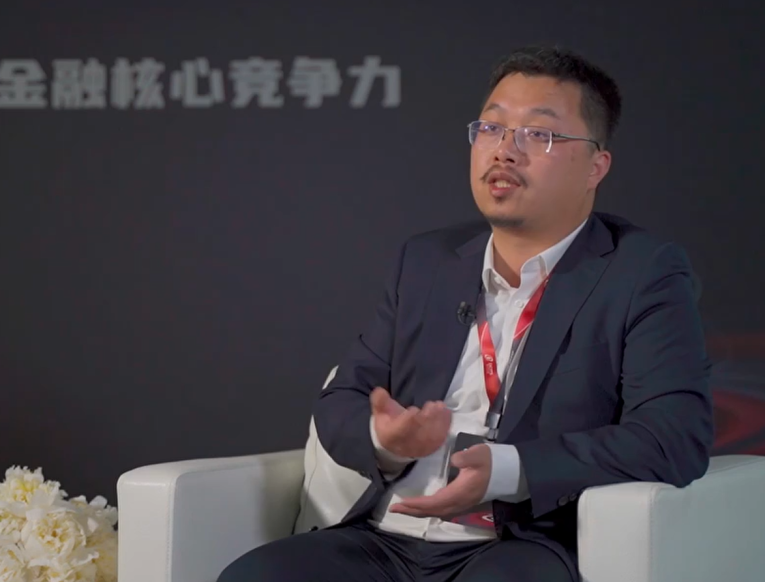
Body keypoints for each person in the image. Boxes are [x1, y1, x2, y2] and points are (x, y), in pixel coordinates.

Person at [217, 45, 714, 582]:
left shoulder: (641, 272)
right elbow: (342, 399)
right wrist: (386, 441)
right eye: (492, 128)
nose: (505, 151)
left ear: (596, 166)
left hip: (515, 543)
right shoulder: (427, 261)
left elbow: (672, 435)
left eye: (538, 133)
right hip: (384, 538)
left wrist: (508, 470)